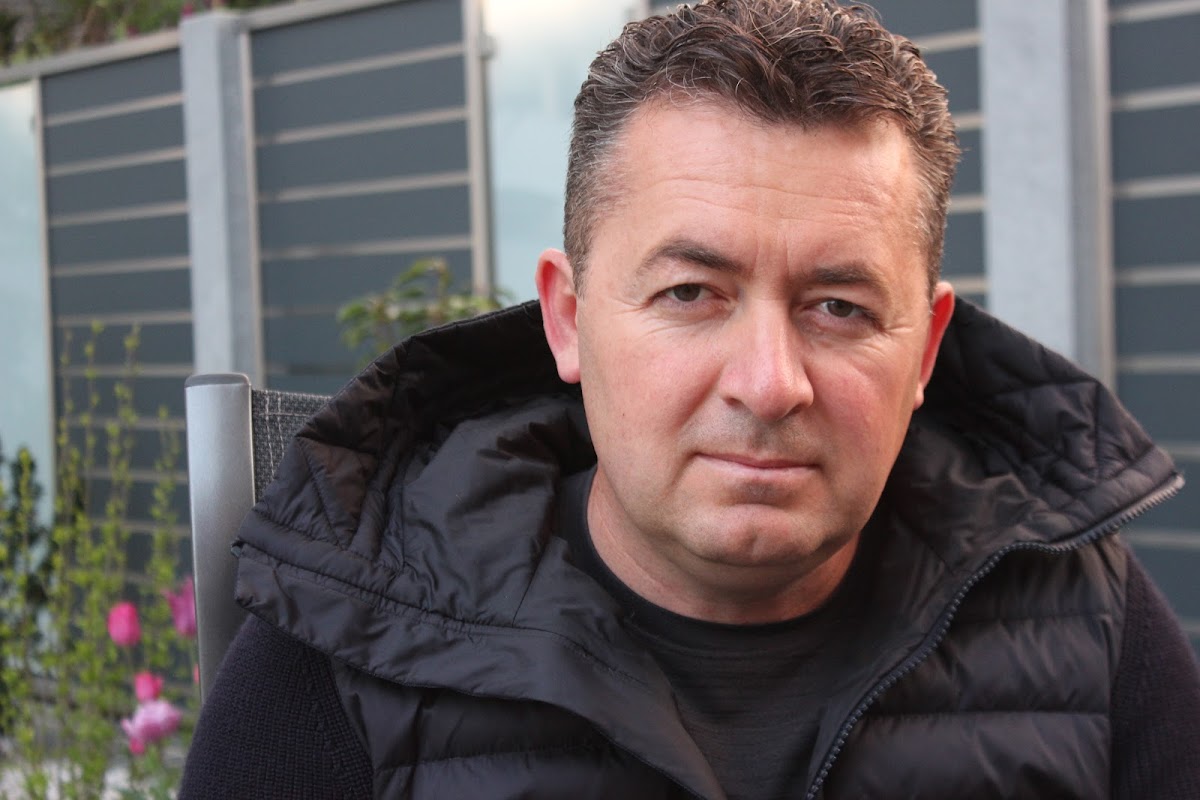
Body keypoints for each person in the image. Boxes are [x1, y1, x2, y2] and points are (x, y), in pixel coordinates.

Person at [180, 1, 1200, 797]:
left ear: (927, 345)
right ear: (569, 320)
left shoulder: (1084, 616)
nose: (769, 382)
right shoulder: (344, 644)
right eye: (691, 293)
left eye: (839, 307)